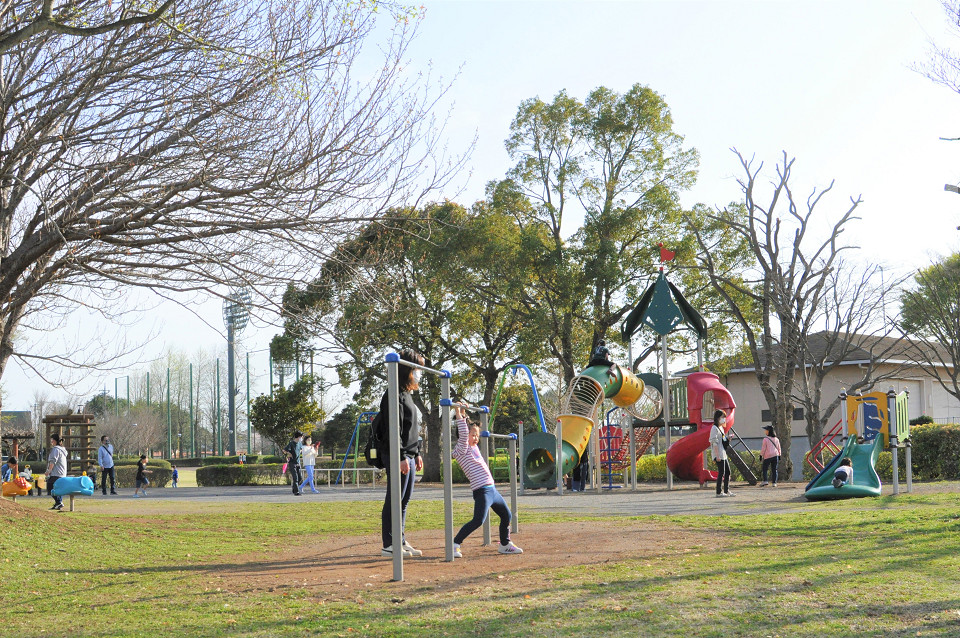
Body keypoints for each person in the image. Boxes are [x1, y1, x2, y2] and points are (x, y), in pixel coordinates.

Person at [451, 404, 522, 557]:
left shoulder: (473, 447)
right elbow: (463, 433)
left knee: (506, 515)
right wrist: (457, 413)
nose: (476, 438)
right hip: (482, 490)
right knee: (478, 520)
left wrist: (463, 414)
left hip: (492, 490)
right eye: (473, 435)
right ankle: (455, 543)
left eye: (477, 435)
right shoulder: (461, 449)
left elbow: (466, 429)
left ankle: (504, 544)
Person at [380, 348, 425, 558]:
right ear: (407, 368)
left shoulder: (407, 393)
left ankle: (400, 538)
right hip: (397, 454)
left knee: (404, 500)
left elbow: (410, 428)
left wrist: (416, 453)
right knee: (395, 498)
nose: (418, 373)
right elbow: (394, 429)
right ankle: (389, 543)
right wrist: (399, 456)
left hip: (409, 453)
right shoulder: (393, 392)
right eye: (416, 368)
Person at [709, 409, 733, 497]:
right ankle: (718, 492)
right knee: (721, 472)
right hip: (718, 454)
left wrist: (728, 439)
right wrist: (717, 456)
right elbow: (714, 443)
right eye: (722, 417)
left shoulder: (721, 428)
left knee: (727, 472)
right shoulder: (714, 428)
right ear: (718, 418)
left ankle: (726, 490)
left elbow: (723, 442)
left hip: (723, 454)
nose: (724, 419)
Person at [45, 434, 68, 511]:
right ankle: (58, 503)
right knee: (58, 489)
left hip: (56, 473)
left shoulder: (56, 449)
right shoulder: (62, 450)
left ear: (54, 441)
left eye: (52, 440)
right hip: (62, 473)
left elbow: (53, 461)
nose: (51, 442)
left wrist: (49, 470)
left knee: (50, 487)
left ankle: (59, 502)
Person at [284, 431, 304, 496]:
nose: (302, 438)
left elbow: (301, 449)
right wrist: (288, 453)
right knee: (295, 478)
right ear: (298, 437)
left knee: (300, 478)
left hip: (298, 462)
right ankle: (296, 492)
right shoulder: (291, 443)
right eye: (301, 437)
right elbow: (284, 450)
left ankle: (294, 487)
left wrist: (300, 452)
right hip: (292, 463)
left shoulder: (300, 443)